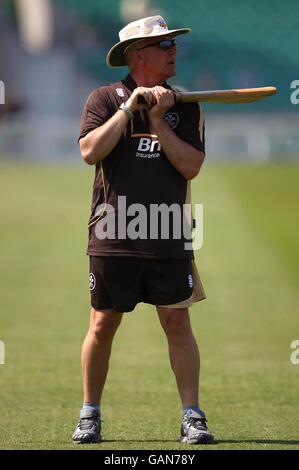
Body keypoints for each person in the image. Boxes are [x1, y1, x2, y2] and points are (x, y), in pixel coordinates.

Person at [72, 15, 214, 445]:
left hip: (169, 233)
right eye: (163, 44)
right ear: (138, 56)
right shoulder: (103, 97)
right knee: (102, 325)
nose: (173, 49)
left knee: (177, 323)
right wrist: (127, 108)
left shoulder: (184, 104)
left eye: (173, 42)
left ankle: (192, 415)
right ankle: (89, 414)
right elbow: (89, 151)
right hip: (113, 233)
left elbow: (190, 165)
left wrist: (156, 118)